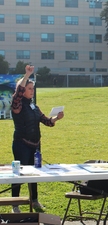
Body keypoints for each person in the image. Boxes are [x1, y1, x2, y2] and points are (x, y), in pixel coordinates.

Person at [11, 65, 64, 213]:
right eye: (29, 88)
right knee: (19, 175)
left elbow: (46, 121)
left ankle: (34, 200)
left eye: (32, 89)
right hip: (21, 144)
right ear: (22, 90)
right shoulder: (17, 105)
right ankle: (15, 204)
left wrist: (56, 118)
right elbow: (17, 95)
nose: (31, 91)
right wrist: (27, 75)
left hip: (35, 145)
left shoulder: (34, 106)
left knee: (34, 173)